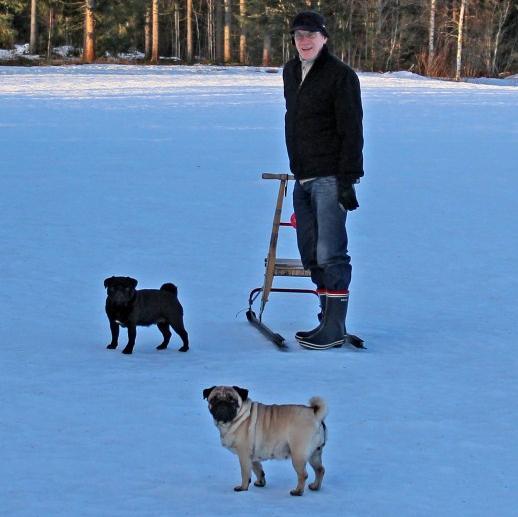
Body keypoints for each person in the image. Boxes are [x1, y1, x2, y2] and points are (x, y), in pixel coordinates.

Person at [283, 11, 364, 350]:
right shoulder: (291, 71)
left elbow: (351, 129)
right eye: (299, 34)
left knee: (331, 252)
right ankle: (325, 317)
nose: (305, 40)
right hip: (303, 175)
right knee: (310, 252)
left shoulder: (341, 76)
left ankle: (334, 326)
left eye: (311, 34)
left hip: (330, 176)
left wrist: (348, 178)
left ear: (324, 38)